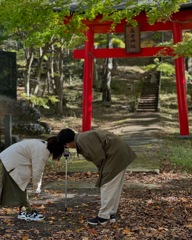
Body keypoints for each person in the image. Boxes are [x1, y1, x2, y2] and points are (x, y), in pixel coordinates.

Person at [57, 128, 137, 225]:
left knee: (107, 185)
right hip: (118, 154)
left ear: (67, 142)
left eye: (66, 145)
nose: (67, 147)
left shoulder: (83, 140)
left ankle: (103, 217)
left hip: (115, 155)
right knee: (113, 185)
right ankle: (111, 214)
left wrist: (102, 170)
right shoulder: (82, 139)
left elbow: (99, 156)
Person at [0, 136, 64, 221]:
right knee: (20, 187)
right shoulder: (42, 152)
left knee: (21, 186)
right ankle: (28, 212)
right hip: (13, 161)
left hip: (10, 158)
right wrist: (36, 188)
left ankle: (23, 211)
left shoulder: (42, 144)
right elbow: (37, 172)